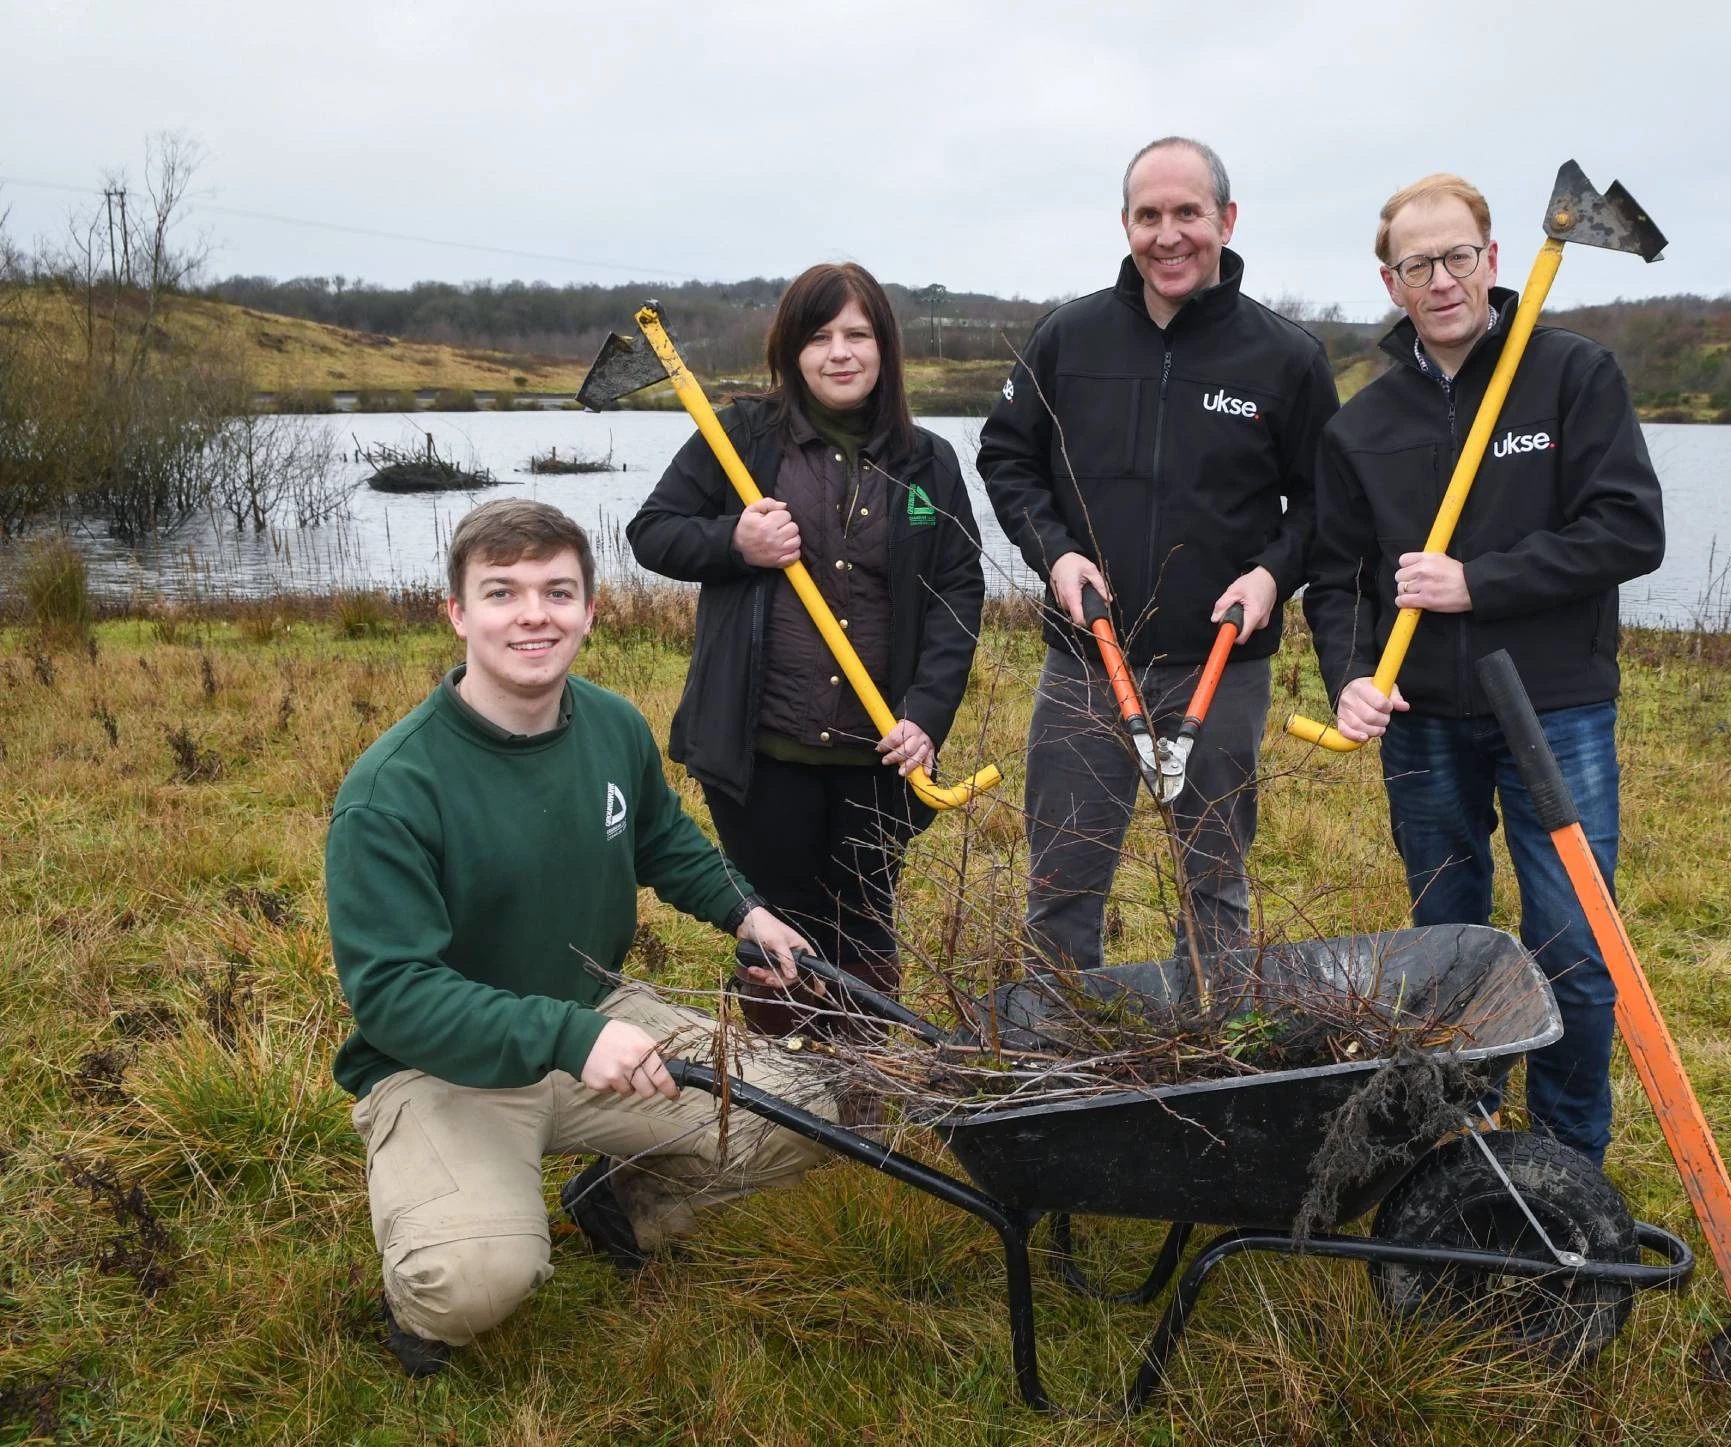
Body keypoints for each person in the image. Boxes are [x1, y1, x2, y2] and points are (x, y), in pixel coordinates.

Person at [326, 499, 831, 1377]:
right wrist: (574, 1038)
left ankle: (626, 1207)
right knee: (476, 1279)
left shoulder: (612, 724)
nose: (533, 614)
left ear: (591, 611)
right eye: (502, 592)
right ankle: (427, 1298)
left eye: (558, 591)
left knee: (812, 1114)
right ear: (457, 613)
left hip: (597, 1017)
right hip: (446, 1065)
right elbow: (395, 995)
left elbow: (663, 843)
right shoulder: (391, 791)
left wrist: (748, 914)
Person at [1301, 173, 1664, 1164]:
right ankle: (1460, 1158)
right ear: (1392, 282)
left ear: (1493, 260)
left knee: (1574, 952)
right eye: (1418, 265)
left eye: (1459, 255)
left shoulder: (1571, 376)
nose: (1444, 279)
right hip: (1420, 722)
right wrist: (1352, 674)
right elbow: (1336, 579)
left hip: (1555, 709)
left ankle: (1566, 1164)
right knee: (1449, 953)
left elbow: (1631, 530)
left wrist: (1481, 583)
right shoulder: (1362, 426)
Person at [979, 135, 1337, 973]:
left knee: (1214, 890)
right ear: (1126, 224)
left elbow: (1327, 501)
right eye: (1149, 216)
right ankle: (1059, 1065)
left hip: (1220, 665)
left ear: (1227, 219)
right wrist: (1056, 557)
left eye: (1187, 213)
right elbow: (1007, 457)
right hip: (1085, 665)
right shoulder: (1069, 338)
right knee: (1061, 886)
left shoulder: (1287, 357)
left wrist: (1273, 574)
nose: (1167, 236)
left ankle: (1210, 1063)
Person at [629, 262, 984, 1015]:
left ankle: (860, 1089)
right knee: (779, 925)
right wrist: (735, 540)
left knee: (864, 920)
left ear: (884, 348)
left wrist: (927, 714)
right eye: (819, 336)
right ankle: (782, 1091)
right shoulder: (742, 438)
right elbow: (651, 533)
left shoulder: (927, 464)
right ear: (791, 351)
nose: (839, 353)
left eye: (857, 334)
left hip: (883, 751)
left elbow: (957, 589)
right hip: (763, 750)